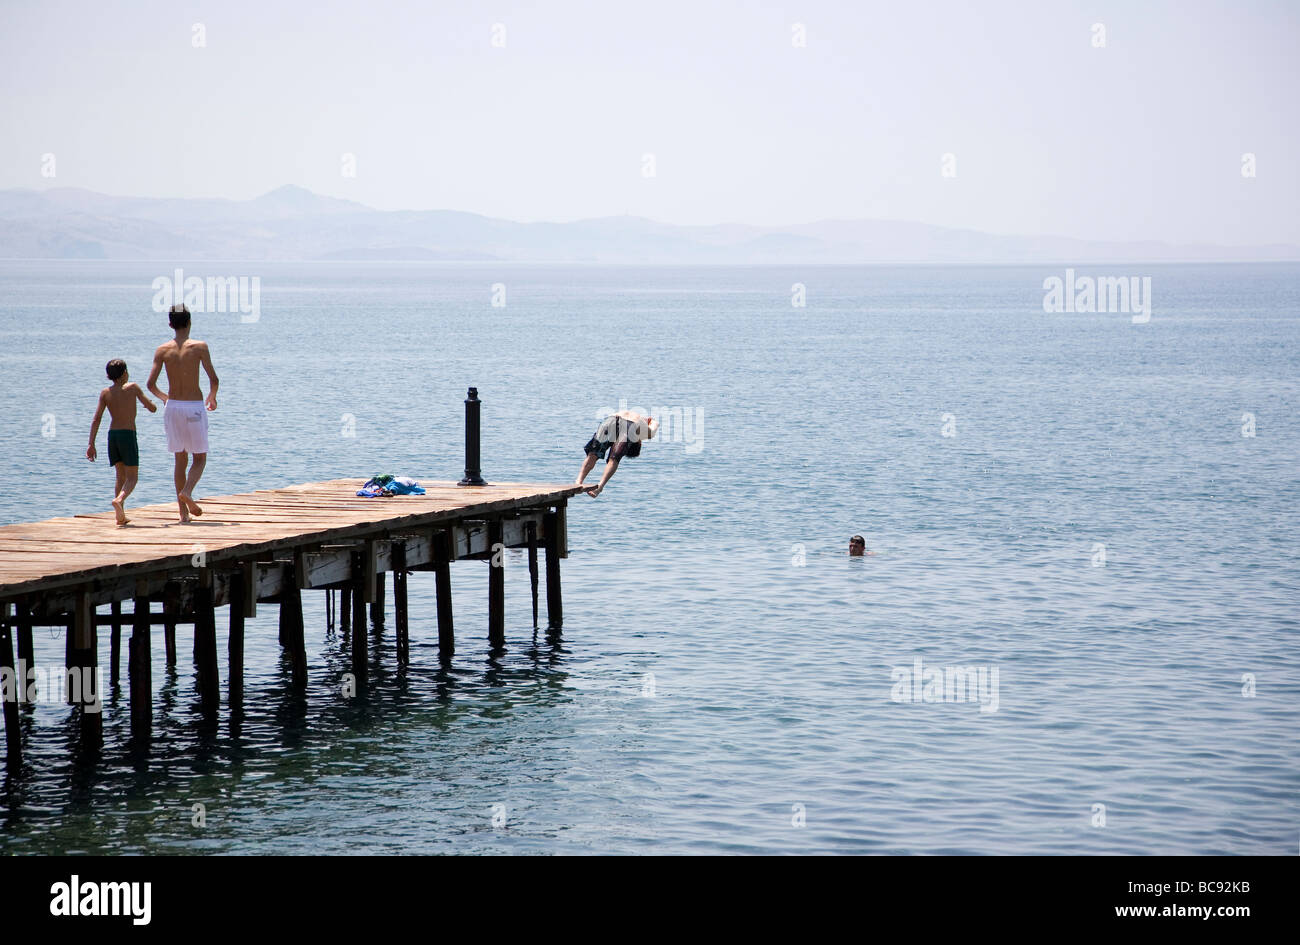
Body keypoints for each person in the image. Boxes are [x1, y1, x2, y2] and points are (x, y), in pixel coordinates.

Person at [146, 304, 219, 523]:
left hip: (173, 407)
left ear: (170, 324)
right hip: (194, 405)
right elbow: (213, 379)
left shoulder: (162, 350)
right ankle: (187, 492)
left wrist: (165, 398)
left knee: (180, 458)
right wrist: (212, 397)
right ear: (189, 322)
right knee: (200, 457)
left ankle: (183, 515)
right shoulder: (199, 347)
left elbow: (151, 384)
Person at [86, 359, 157, 525]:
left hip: (113, 436)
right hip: (128, 435)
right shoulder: (133, 388)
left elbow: (96, 419)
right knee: (132, 478)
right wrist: (151, 404)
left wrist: (91, 444)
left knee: (120, 476)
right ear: (125, 373)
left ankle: (120, 515)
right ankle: (119, 500)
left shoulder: (105, 393)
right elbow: (152, 408)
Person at [576, 410, 658, 498]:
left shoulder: (645, 429)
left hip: (611, 419)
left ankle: (578, 481)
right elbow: (654, 423)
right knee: (614, 459)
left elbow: (654, 422)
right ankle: (599, 487)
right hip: (630, 426)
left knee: (593, 454)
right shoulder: (646, 434)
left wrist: (649, 421)